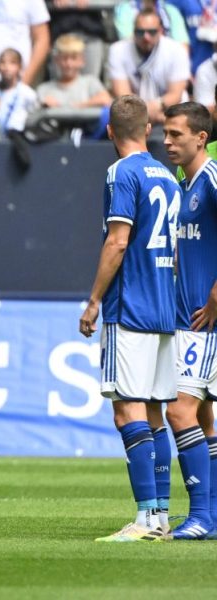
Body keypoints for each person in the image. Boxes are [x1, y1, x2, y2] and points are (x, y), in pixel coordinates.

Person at [78, 95, 179, 542]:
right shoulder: (169, 177)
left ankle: (143, 520)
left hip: (131, 306)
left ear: (111, 132)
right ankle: (159, 516)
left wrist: (94, 300)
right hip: (164, 307)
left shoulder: (121, 172)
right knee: (155, 414)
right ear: (149, 130)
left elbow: (118, 242)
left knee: (127, 411)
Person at [161, 101, 216, 539]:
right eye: (165, 132)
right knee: (204, 418)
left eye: (176, 134)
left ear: (201, 137)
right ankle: (211, 516)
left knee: (179, 410)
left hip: (204, 320)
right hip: (189, 318)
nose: (167, 141)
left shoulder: (212, 177)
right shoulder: (183, 183)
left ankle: (199, 515)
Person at [107, 9, 190, 124]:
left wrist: (155, 108)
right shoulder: (118, 50)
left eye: (151, 32)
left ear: (160, 31)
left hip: (170, 112)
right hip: (132, 115)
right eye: (140, 32)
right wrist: (144, 112)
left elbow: (175, 95)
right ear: (133, 31)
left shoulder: (177, 50)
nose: (146, 37)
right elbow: (122, 95)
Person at [36, 34, 111, 109]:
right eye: (64, 58)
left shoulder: (90, 82)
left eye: (74, 58)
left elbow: (105, 100)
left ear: (82, 60)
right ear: (56, 60)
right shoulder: (44, 89)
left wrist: (74, 107)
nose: (69, 64)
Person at [0, 48, 39, 135]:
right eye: (3, 62)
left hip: (17, 137)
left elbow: (35, 113)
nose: (6, 67)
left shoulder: (26, 92)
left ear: (19, 66)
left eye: (12, 63)